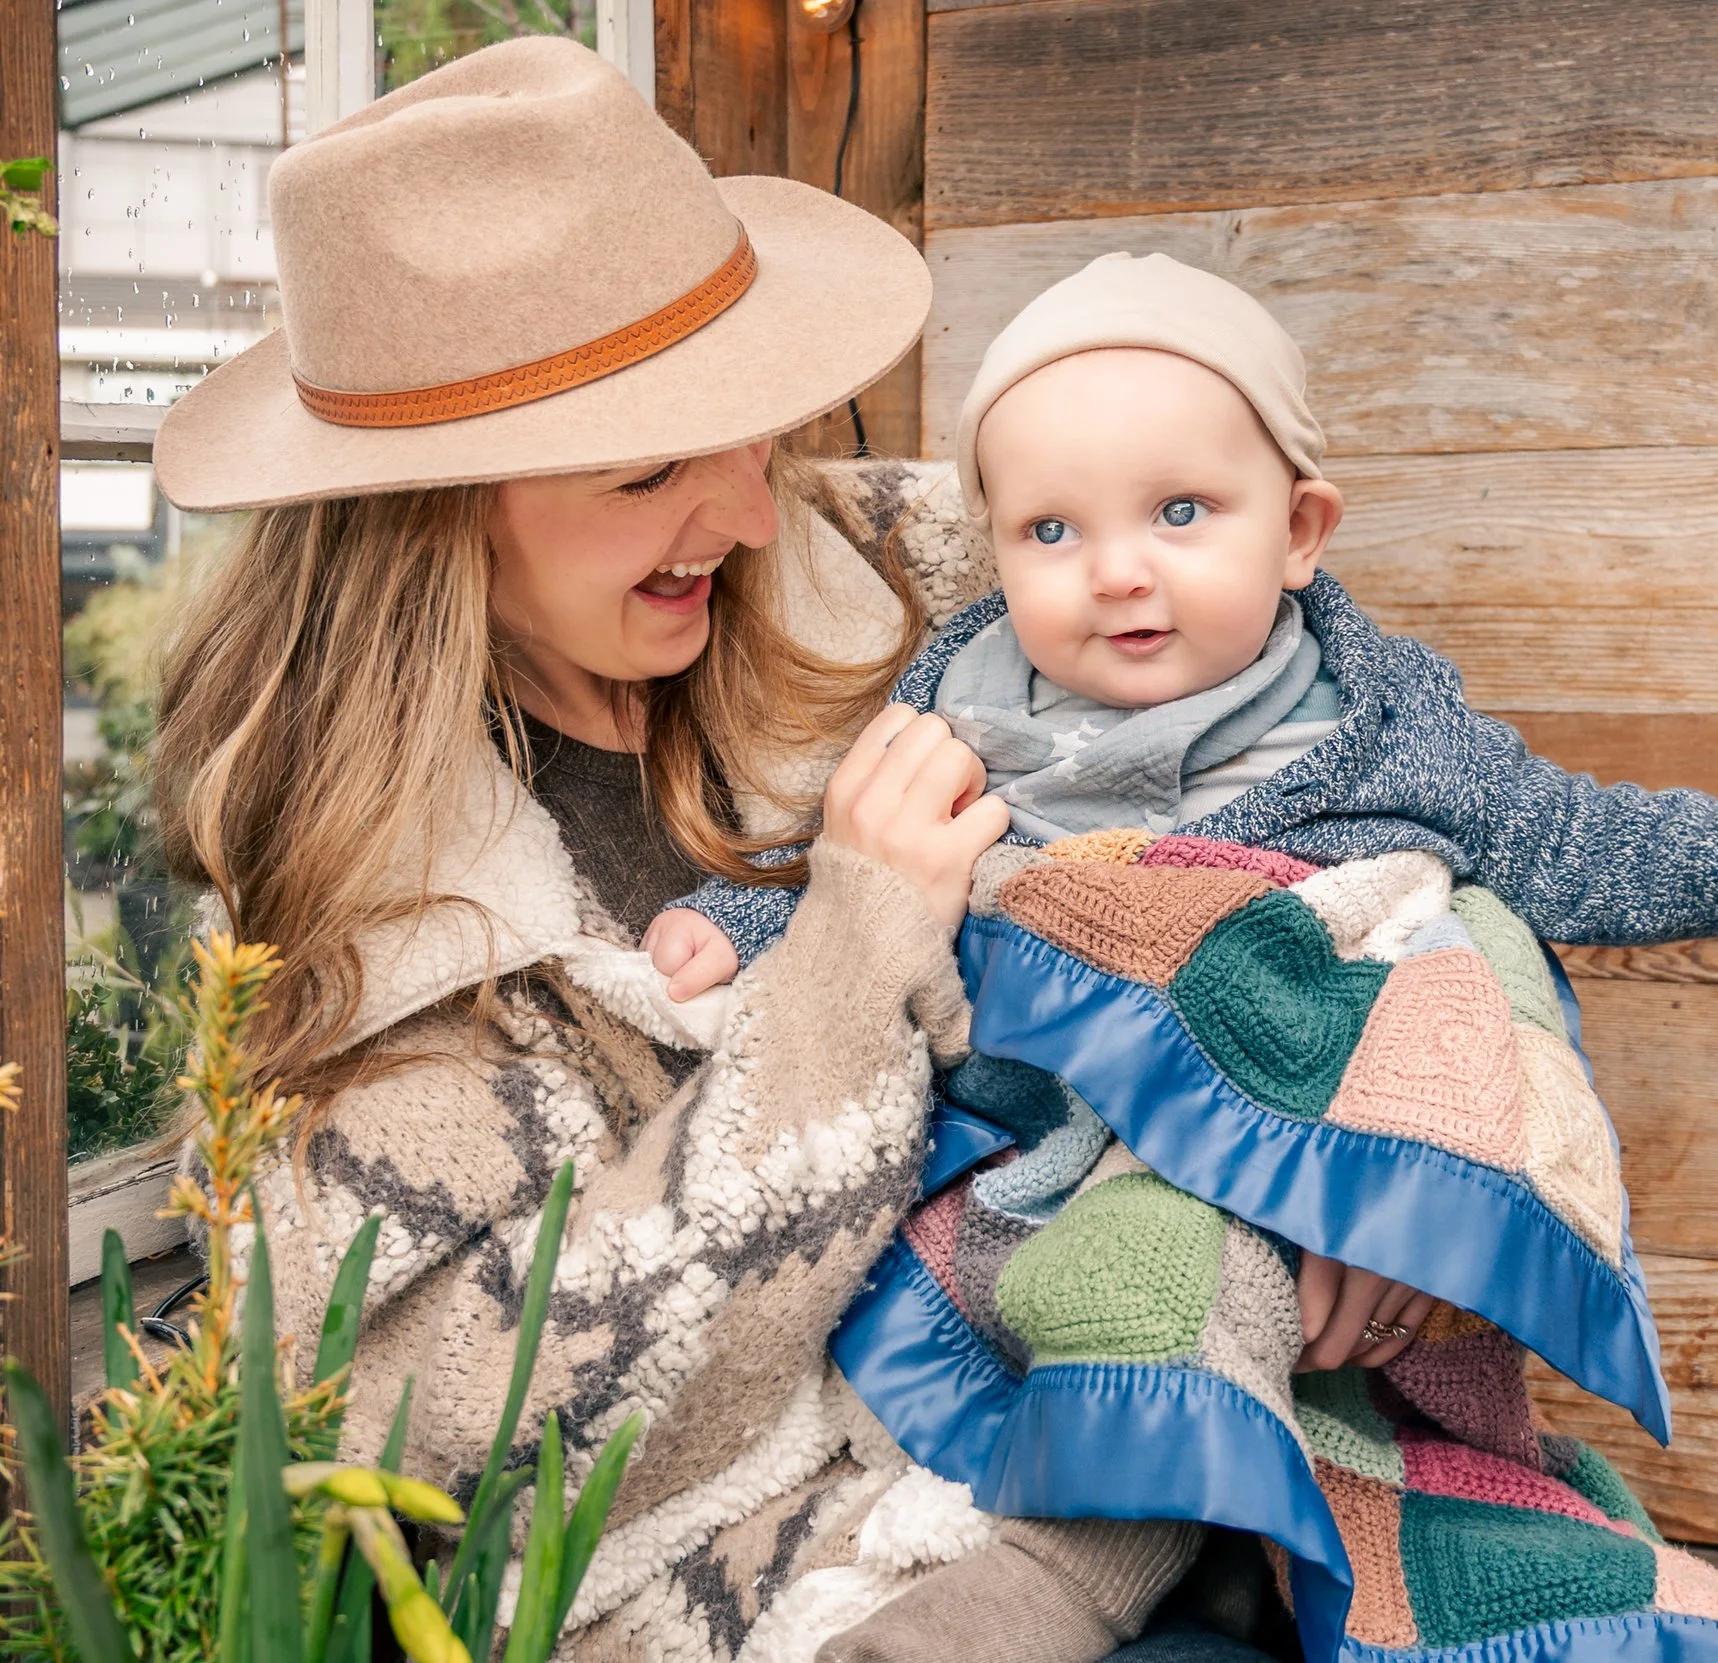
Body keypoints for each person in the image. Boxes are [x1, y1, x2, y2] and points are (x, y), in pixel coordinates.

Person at [147, 40, 1251, 1663]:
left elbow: (1320, 724)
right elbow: (477, 1428)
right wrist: (848, 967)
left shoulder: (909, 563)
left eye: (754, 421)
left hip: (1166, 1428)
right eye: (652, 467)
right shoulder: (359, 933)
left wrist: (1394, 1174)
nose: (749, 511)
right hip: (823, 1581)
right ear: (433, 515)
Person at [638, 254, 1718, 1658]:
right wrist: (730, 925)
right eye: (1053, 529)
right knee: (1122, 1280)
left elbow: (1562, 839)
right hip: (1033, 1160)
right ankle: (1041, 1574)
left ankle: (1072, 1587)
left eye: (1181, 512)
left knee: (1185, 1273)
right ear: (995, 551)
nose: (1118, 571)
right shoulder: (959, 711)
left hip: (1282, 1163)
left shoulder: (1382, 726)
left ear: (1299, 528)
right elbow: (842, 867)